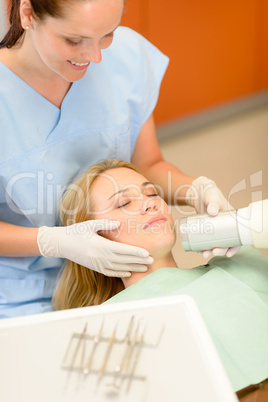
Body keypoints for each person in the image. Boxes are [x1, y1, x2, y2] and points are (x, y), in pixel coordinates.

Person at [0, 0, 239, 318]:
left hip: (120, 279)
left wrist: (195, 189)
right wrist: (52, 241)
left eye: (108, 34)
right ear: (27, 13)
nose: (96, 57)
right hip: (21, 293)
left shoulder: (125, 58)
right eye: (74, 40)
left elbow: (149, 165)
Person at [53, 159, 268, 401]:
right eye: (124, 202)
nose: (149, 203)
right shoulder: (100, 331)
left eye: (152, 193)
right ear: (92, 238)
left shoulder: (239, 264)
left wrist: (239, 226)